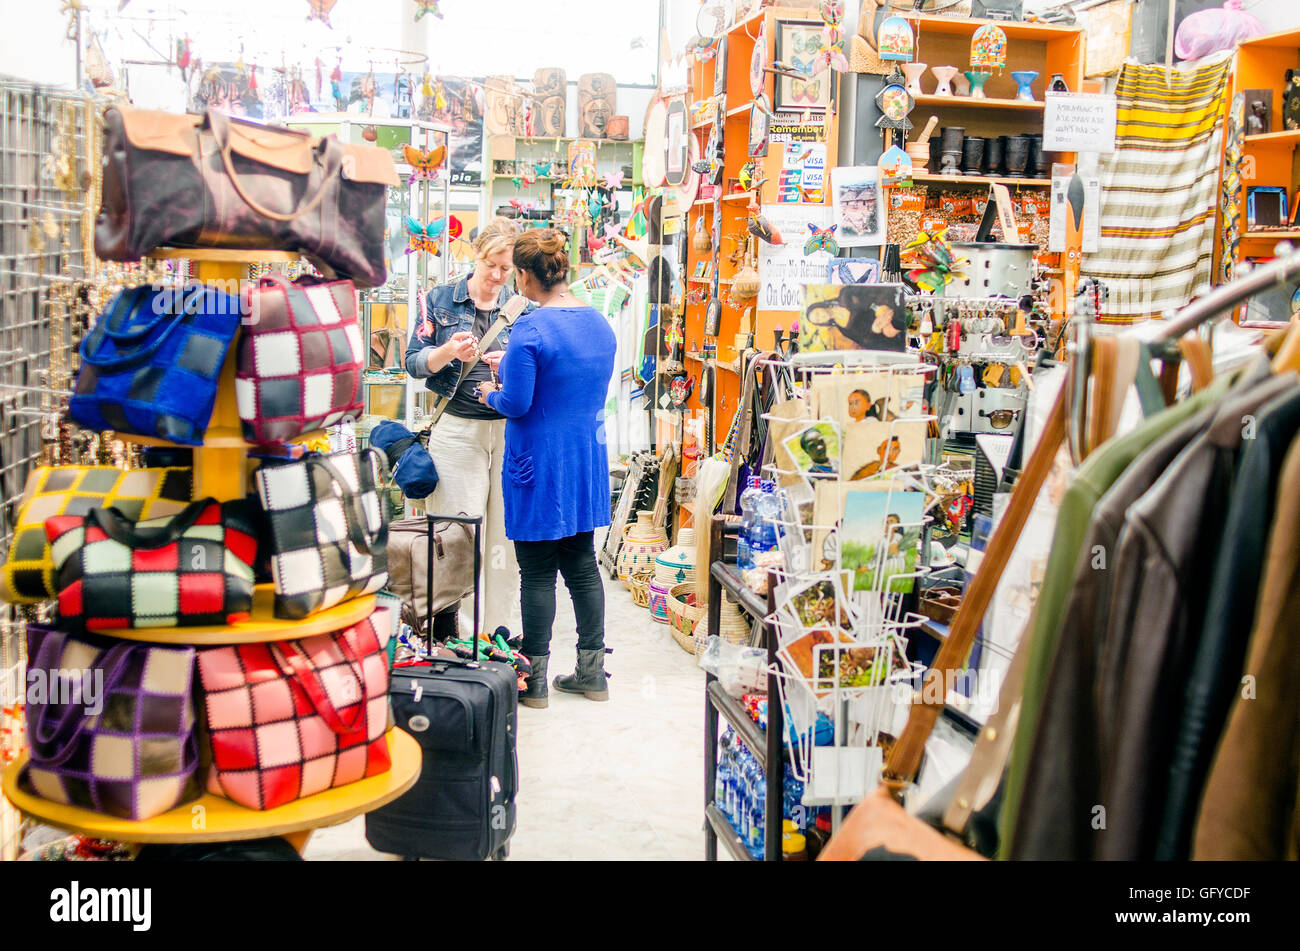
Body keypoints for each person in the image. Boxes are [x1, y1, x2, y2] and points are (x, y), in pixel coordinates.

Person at [475, 229, 616, 709]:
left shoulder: (530, 330)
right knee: (582, 565)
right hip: (586, 459)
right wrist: (514, 363)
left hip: (539, 461)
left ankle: (533, 681)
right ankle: (592, 674)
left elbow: (517, 402)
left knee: (536, 572)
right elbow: (570, 384)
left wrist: (488, 392)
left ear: (524, 275)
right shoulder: (600, 324)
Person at [404, 216, 527, 642]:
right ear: (476, 256)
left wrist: (508, 367)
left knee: (504, 541)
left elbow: (538, 372)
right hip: (456, 431)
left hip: (510, 434)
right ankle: (454, 635)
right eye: (491, 264)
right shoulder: (439, 300)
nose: (496, 276)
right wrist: (447, 352)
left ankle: (497, 633)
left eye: (506, 268)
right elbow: (414, 363)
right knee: (458, 534)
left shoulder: (521, 308)